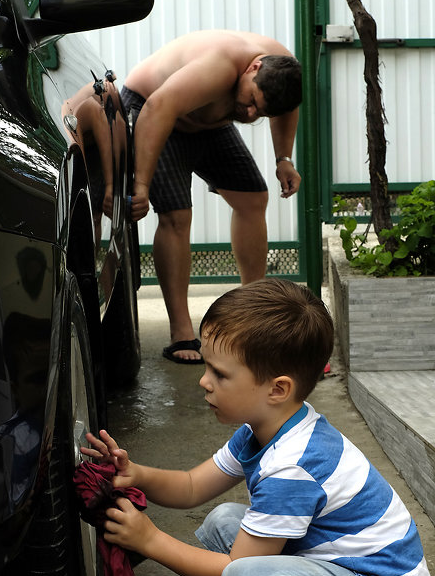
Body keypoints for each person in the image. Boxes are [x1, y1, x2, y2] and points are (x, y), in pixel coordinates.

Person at [82, 279, 432, 576]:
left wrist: (151, 540)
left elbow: (235, 573)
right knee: (224, 524)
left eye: (220, 374)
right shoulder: (262, 429)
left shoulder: (293, 466)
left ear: (277, 388)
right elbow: (191, 486)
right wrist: (137, 474)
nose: (204, 381)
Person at [120, 30, 302, 364]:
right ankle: (181, 331)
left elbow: (286, 111)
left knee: (252, 199)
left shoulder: (281, 71)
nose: (249, 114)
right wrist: (141, 186)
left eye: (258, 112)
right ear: (253, 68)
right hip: (153, 112)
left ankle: (251, 312)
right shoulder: (219, 67)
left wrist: (284, 159)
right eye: (250, 101)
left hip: (208, 126)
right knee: (177, 216)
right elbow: (159, 107)